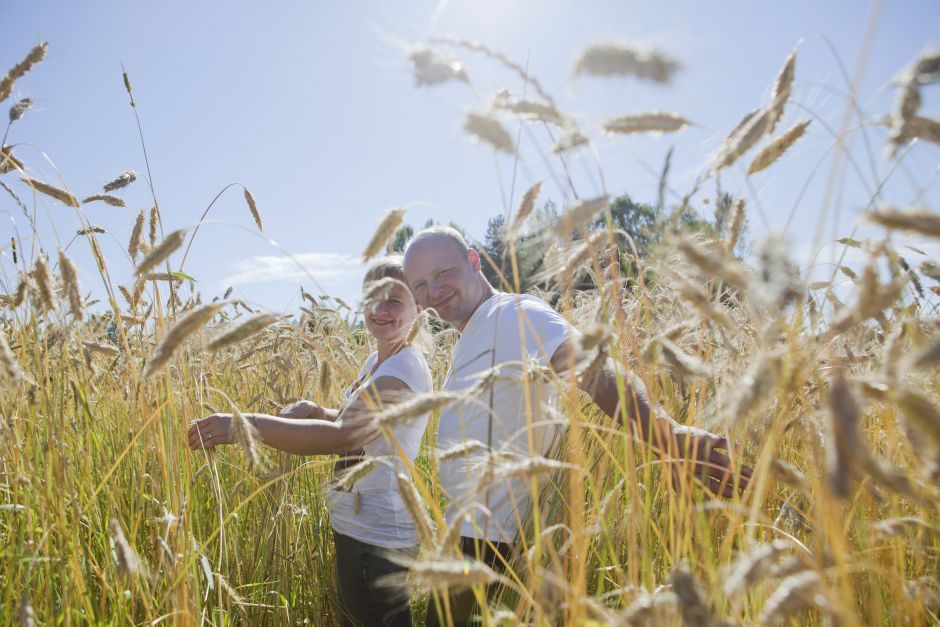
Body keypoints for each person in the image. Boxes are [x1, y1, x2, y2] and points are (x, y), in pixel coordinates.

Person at [401, 226, 753, 626]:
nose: (433, 292)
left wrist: (664, 436)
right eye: (421, 285)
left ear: (475, 260)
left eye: (443, 272)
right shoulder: (474, 333)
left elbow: (593, 368)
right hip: (470, 540)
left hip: (491, 547)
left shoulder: (514, 314)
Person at [188, 255, 432, 627]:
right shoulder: (377, 361)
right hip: (359, 526)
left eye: (394, 300)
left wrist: (246, 425)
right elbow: (358, 424)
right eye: (373, 298)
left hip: (377, 537)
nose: (380, 310)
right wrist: (318, 410)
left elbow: (345, 437)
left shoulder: (403, 371)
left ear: (418, 307)